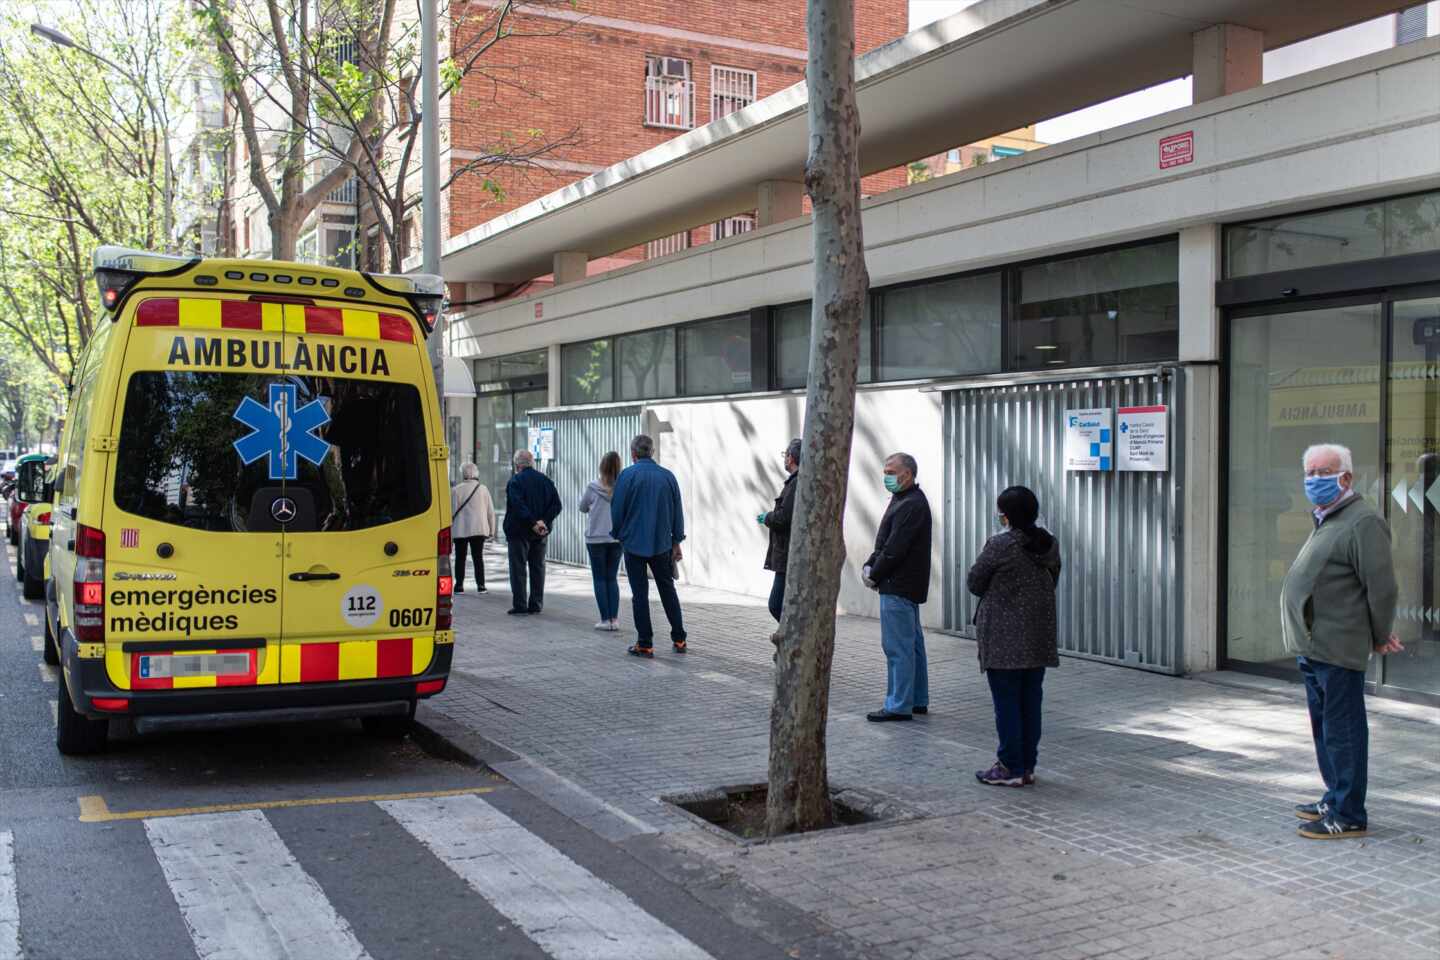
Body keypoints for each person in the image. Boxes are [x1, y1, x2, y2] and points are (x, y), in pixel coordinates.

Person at [1282, 443, 1401, 839]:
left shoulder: (1362, 521)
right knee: (1325, 729)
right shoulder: (1327, 518)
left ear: (1346, 477)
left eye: (1323, 472)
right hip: (1314, 646)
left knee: (1344, 731)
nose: (1314, 479)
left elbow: (1381, 588)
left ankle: (1349, 813)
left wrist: (1380, 635)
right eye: (1309, 472)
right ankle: (1334, 796)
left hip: (1338, 646)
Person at [967, 486, 1062, 787]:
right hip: (1037, 637)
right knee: (1030, 703)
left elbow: (975, 582)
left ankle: (1009, 766)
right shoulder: (1048, 543)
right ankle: (1027, 766)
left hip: (1004, 640)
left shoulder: (1000, 545)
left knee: (1006, 704)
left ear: (1006, 516)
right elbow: (1052, 580)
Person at [862, 453, 932, 721]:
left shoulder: (910, 504)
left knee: (897, 647)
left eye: (891, 471)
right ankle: (916, 698)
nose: (886, 476)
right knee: (912, 644)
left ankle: (898, 704)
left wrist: (874, 573)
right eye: (885, 471)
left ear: (908, 474)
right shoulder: (905, 499)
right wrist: (871, 563)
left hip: (898, 584)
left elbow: (894, 549)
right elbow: (886, 542)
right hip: (904, 583)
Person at [610, 434, 686, 658]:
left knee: (639, 594)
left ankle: (645, 643)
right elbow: (677, 512)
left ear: (633, 454)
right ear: (652, 452)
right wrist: (676, 540)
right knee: (667, 590)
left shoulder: (627, 476)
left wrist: (619, 534)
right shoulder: (668, 477)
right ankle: (680, 638)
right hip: (661, 544)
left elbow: (617, 510)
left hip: (634, 544)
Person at [503, 449, 561, 615]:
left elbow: (517, 505)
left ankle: (520, 605)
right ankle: (536, 603)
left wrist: (532, 522)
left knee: (518, 568)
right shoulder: (545, 481)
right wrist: (542, 521)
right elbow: (557, 505)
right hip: (540, 532)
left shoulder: (515, 481)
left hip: (519, 532)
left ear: (517, 465)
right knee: (537, 567)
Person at [579, 451, 623, 631]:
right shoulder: (622, 487)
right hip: (616, 538)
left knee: (599, 578)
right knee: (612, 578)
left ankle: (605, 620)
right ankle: (614, 619)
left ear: (601, 467)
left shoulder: (593, 486)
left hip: (596, 538)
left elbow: (582, 507)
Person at [759, 438, 802, 622]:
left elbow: (784, 518)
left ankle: (793, 638)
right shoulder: (797, 482)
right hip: (789, 554)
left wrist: (767, 517)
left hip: (788, 555)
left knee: (776, 604)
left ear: (791, 458)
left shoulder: (795, 484)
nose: (784, 459)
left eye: (786, 455)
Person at [450, 462, 497, 593]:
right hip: (478, 529)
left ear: (463, 474)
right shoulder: (483, 489)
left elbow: (451, 513)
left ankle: (459, 586)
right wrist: (492, 530)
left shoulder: (455, 490)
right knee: (478, 557)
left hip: (460, 529)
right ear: (476, 473)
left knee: (460, 557)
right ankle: (481, 586)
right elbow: (490, 512)